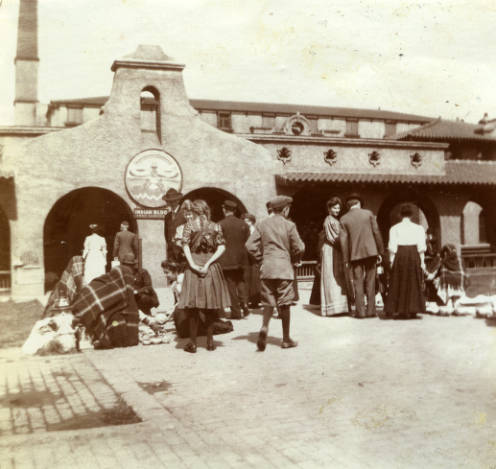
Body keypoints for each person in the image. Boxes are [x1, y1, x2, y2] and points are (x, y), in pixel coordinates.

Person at [246, 195, 305, 351]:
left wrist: (260, 259)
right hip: (284, 268)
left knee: (268, 301)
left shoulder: (261, 224)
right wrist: (295, 257)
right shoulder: (289, 225)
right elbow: (300, 247)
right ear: (285, 209)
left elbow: (250, 245)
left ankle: (264, 327)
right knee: (285, 303)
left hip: (267, 268)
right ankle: (286, 339)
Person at [177, 199, 231, 353]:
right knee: (210, 306)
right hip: (211, 268)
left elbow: (185, 245)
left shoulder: (189, 226)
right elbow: (221, 247)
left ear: (193, 211)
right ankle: (210, 342)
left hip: (193, 268)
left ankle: (193, 343)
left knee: (193, 307)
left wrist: (193, 264)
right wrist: (208, 264)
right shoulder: (215, 226)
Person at [339, 194, 384, 318]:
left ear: (348, 206)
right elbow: (376, 232)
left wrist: (346, 259)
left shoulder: (343, 219)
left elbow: (343, 241)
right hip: (371, 252)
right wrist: (380, 251)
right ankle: (371, 311)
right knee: (370, 281)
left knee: (358, 283)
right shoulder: (368, 214)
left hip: (355, 254)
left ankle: (360, 312)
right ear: (358, 203)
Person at [384, 203, 427, 319]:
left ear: (400, 215)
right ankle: (413, 309)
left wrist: (392, 261)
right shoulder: (419, 228)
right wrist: (423, 262)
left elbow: (392, 247)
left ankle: (401, 310)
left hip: (400, 255)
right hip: (414, 255)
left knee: (400, 280)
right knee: (413, 280)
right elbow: (421, 247)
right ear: (412, 215)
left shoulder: (394, 228)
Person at [219, 200, 250, 319]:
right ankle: (245, 305)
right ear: (235, 210)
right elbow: (248, 242)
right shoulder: (244, 224)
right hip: (241, 259)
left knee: (230, 285)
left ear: (224, 209)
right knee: (241, 282)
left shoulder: (220, 224)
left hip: (226, 260)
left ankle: (236, 312)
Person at [320, 197, 349, 316]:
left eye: (338, 208)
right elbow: (334, 238)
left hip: (336, 249)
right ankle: (333, 307)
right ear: (329, 208)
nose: (337, 210)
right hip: (331, 249)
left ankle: (340, 307)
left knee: (337, 275)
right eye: (334, 208)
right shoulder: (329, 220)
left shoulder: (335, 219)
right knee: (331, 275)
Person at [242, 213, 261, 308]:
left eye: (247, 221)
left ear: (251, 222)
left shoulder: (256, 231)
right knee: (246, 279)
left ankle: (255, 300)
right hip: (246, 258)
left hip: (253, 258)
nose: (245, 223)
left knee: (255, 279)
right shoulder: (244, 230)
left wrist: (257, 256)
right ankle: (247, 300)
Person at [163, 188, 186, 263]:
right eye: (169, 202)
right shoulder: (167, 216)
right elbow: (166, 235)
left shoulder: (184, 214)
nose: (171, 204)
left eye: (173, 201)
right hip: (171, 252)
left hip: (182, 250)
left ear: (178, 200)